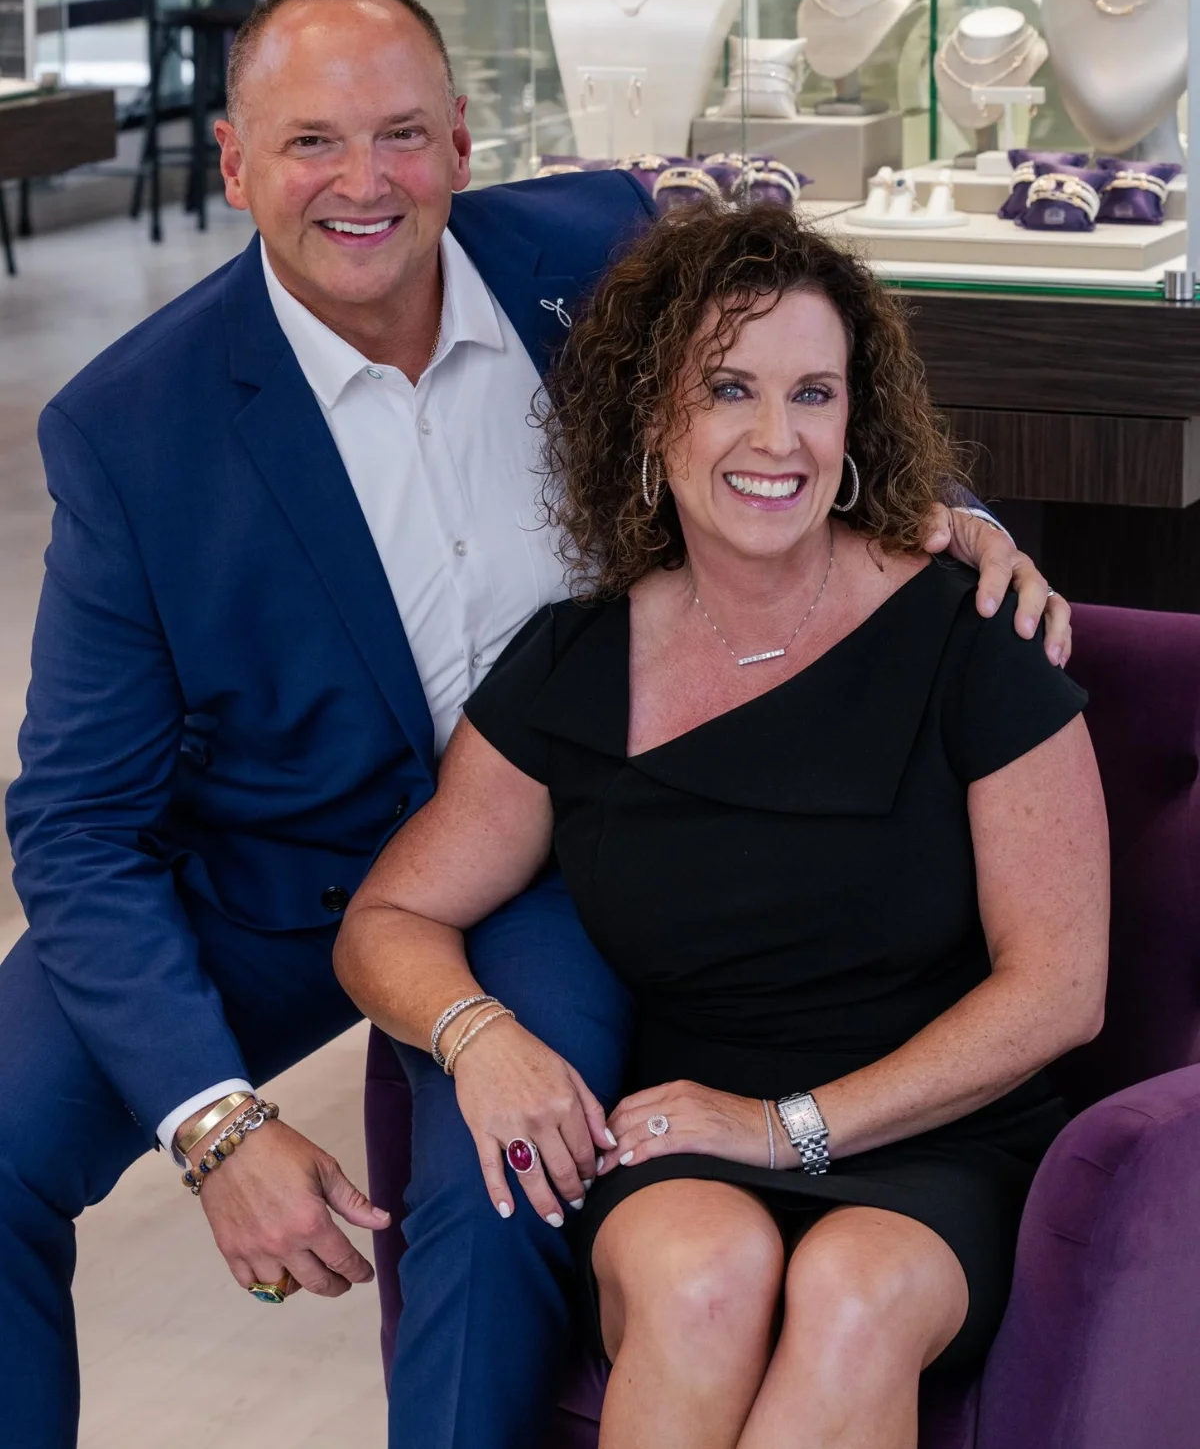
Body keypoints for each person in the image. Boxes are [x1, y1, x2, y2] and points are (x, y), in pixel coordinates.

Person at [0, 0, 1068, 1449]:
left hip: (551, 848)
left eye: (401, 134)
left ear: (459, 140)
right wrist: (213, 1122)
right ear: (235, 165)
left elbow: (804, 383)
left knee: (507, 1180)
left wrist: (954, 518)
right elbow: (75, 822)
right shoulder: (130, 425)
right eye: (311, 142)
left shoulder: (594, 246)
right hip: (270, 868)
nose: (363, 182)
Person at [333, 202, 1110, 1449]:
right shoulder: (576, 662)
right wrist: (481, 1036)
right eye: (729, 389)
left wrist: (786, 1128)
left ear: (856, 422)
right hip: (684, 1130)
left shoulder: (975, 640)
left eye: (814, 395)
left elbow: (1061, 991)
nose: (776, 438)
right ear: (652, 417)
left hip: (937, 1134)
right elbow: (389, 918)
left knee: (853, 1295)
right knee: (703, 1276)